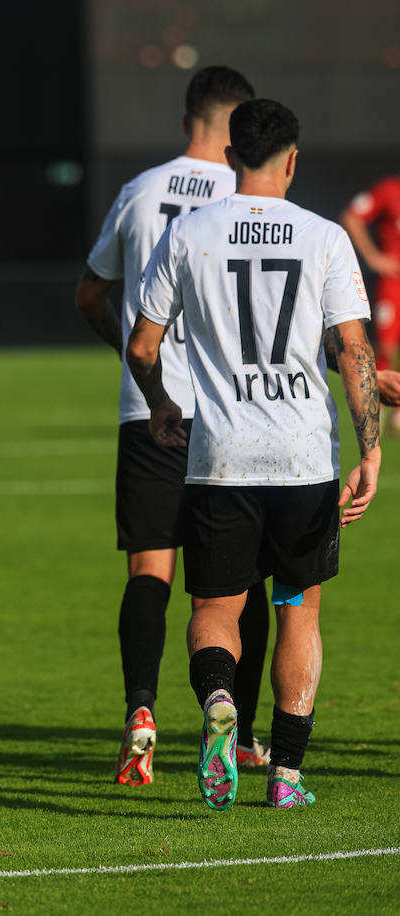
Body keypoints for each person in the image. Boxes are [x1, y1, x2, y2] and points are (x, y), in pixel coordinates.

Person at [127, 98, 380, 810]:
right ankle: (288, 778)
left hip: (221, 459)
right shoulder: (325, 237)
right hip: (304, 461)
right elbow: (353, 349)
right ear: (292, 159)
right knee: (298, 609)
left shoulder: (189, 235)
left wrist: (160, 405)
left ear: (231, 155)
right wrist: (372, 450)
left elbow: (144, 346)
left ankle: (217, 698)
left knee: (215, 608)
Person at [75, 66, 271, 786]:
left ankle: (141, 716)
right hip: (233, 411)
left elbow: (91, 295)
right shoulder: (250, 196)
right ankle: (245, 735)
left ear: (190, 114)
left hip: (148, 407)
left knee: (148, 570)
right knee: (236, 584)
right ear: (244, 119)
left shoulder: (139, 190)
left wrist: (135, 356)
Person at [341, 174, 400, 432]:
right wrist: (374, 257)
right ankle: (376, 414)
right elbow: (352, 217)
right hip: (392, 283)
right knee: (385, 347)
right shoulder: (389, 190)